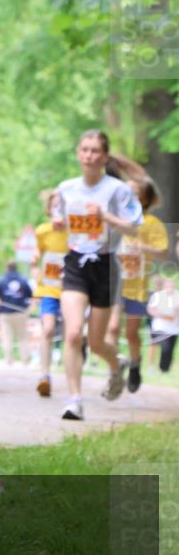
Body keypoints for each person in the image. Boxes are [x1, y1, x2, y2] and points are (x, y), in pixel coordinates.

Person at [51, 130, 143, 420]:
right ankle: (74, 400)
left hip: (105, 265)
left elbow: (133, 227)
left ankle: (116, 365)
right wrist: (56, 219)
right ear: (78, 154)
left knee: (96, 341)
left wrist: (106, 217)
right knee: (74, 332)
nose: (89, 156)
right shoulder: (66, 188)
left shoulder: (117, 190)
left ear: (104, 157)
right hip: (76, 263)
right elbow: (58, 215)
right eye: (85, 150)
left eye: (94, 151)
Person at [103, 154, 168, 393]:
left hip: (138, 285)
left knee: (131, 333)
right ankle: (115, 365)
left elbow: (162, 252)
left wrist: (144, 247)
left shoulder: (152, 223)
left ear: (144, 197)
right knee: (111, 329)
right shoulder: (118, 216)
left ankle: (135, 365)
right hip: (117, 283)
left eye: (134, 192)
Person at [33, 189, 68, 396]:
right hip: (48, 288)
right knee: (47, 330)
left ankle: (70, 373)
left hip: (71, 290)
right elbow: (37, 251)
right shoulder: (42, 231)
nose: (58, 209)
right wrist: (35, 261)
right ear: (49, 208)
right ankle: (44, 376)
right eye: (55, 205)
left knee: (71, 335)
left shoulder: (73, 232)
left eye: (62, 205)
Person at [0, 260, 34, 366]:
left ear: (7, 267)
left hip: (5, 313)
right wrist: (26, 307)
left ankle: (8, 358)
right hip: (20, 312)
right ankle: (25, 360)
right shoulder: (23, 280)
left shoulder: (1, 280)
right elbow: (30, 295)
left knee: (6, 337)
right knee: (23, 337)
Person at [148, 278, 178, 372]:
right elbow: (151, 309)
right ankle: (152, 365)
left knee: (169, 349)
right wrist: (163, 315)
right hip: (159, 327)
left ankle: (165, 368)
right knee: (158, 347)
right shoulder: (157, 296)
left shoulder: (177, 295)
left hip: (173, 329)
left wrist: (173, 316)